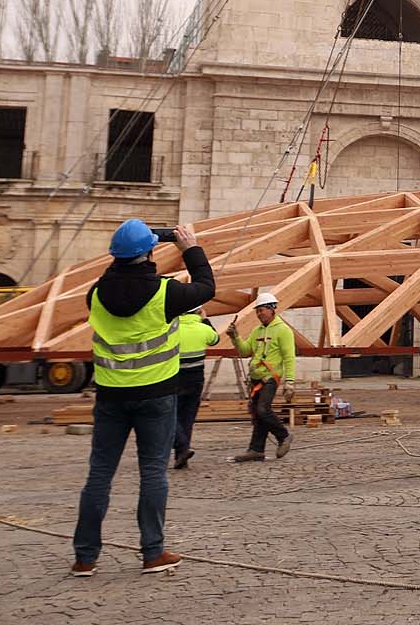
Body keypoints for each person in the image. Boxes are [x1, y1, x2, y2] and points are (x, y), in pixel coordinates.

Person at [73, 218, 213, 577]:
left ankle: (85, 557)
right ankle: (152, 552)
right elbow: (206, 287)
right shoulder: (165, 293)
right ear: (150, 251)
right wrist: (190, 248)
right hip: (156, 395)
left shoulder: (96, 294)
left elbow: (118, 285)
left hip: (110, 397)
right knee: (153, 473)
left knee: (99, 475)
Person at [229, 291, 295, 462]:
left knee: (263, 410)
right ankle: (256, 449)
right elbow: (245, 351)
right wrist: (235, 337)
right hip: (256, 379)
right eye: (257, 311)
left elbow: (289, 357)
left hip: (270, 378)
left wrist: (290, 382)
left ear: (272, 309)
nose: (259, 314)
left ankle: (284, 436)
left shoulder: (283, 331)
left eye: (262, 310)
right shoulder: (257, 331)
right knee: (258, 415)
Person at [171, 308, 218, 469]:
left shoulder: (173, 328)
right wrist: (205, 320)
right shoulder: (203, 329)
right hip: (196, 380)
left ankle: (182, 448)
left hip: (175, 379)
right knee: (187, 419)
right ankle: (182, 455)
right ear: (198, 312)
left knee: (170, 416)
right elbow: (215, 339)